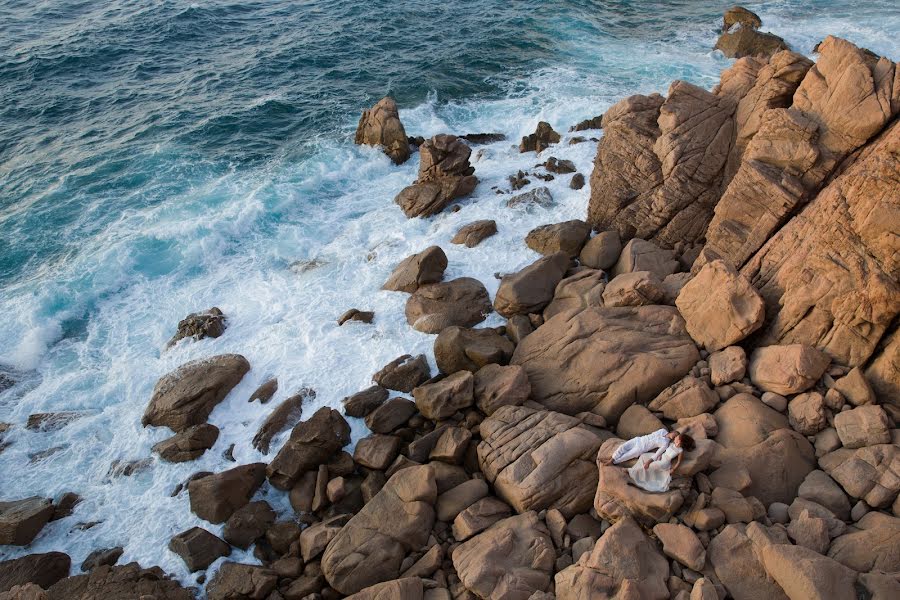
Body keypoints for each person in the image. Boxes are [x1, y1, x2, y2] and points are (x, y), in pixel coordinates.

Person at [626, 431, 695, 493]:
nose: (675, 437)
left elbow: (679, 461)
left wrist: (673, 469)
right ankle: (636, 472)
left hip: (665, 462)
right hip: (661, 457)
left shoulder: (680, 450)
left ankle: (632, 472)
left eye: (677, 437)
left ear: (679, 441)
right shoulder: (672, 444)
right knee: (644, 456)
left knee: (649, 466)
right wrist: (660, 455)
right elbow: (665, 451)